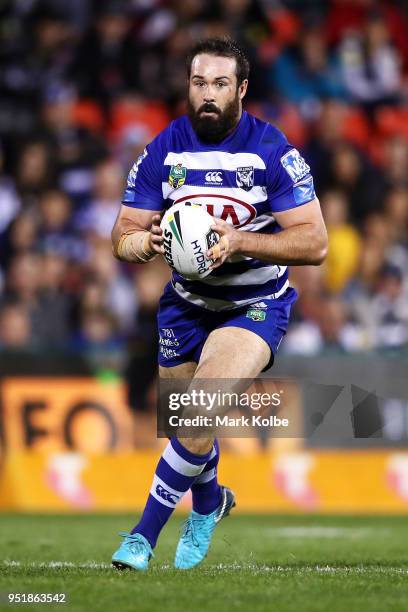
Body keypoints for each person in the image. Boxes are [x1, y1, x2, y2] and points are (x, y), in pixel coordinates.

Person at [110, 37, 328, 570]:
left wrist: (239, 240)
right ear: (188, 86)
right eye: (199, 83)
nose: (208, 94)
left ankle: (141, 537)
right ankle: (209, 502)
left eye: (220, 84)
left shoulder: (273, 151)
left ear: (242, 89)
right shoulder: (164, 149)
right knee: (186, 425)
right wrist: (146, 243)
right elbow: (122, 234)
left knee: (199, 408)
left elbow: (315, 243)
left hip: (253, 303)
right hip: (185, 304)